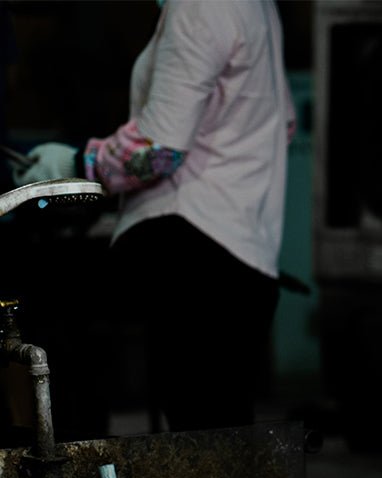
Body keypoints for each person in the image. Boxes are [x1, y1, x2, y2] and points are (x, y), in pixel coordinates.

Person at [11, 0, 296, 433]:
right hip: (246, 250)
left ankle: (78, 466)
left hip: (192, 245)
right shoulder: (257, 6)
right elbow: (284, 123)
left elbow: (159, 150)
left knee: (46, 302)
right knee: (220, 433)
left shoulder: (198, 6)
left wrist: (78, 163)